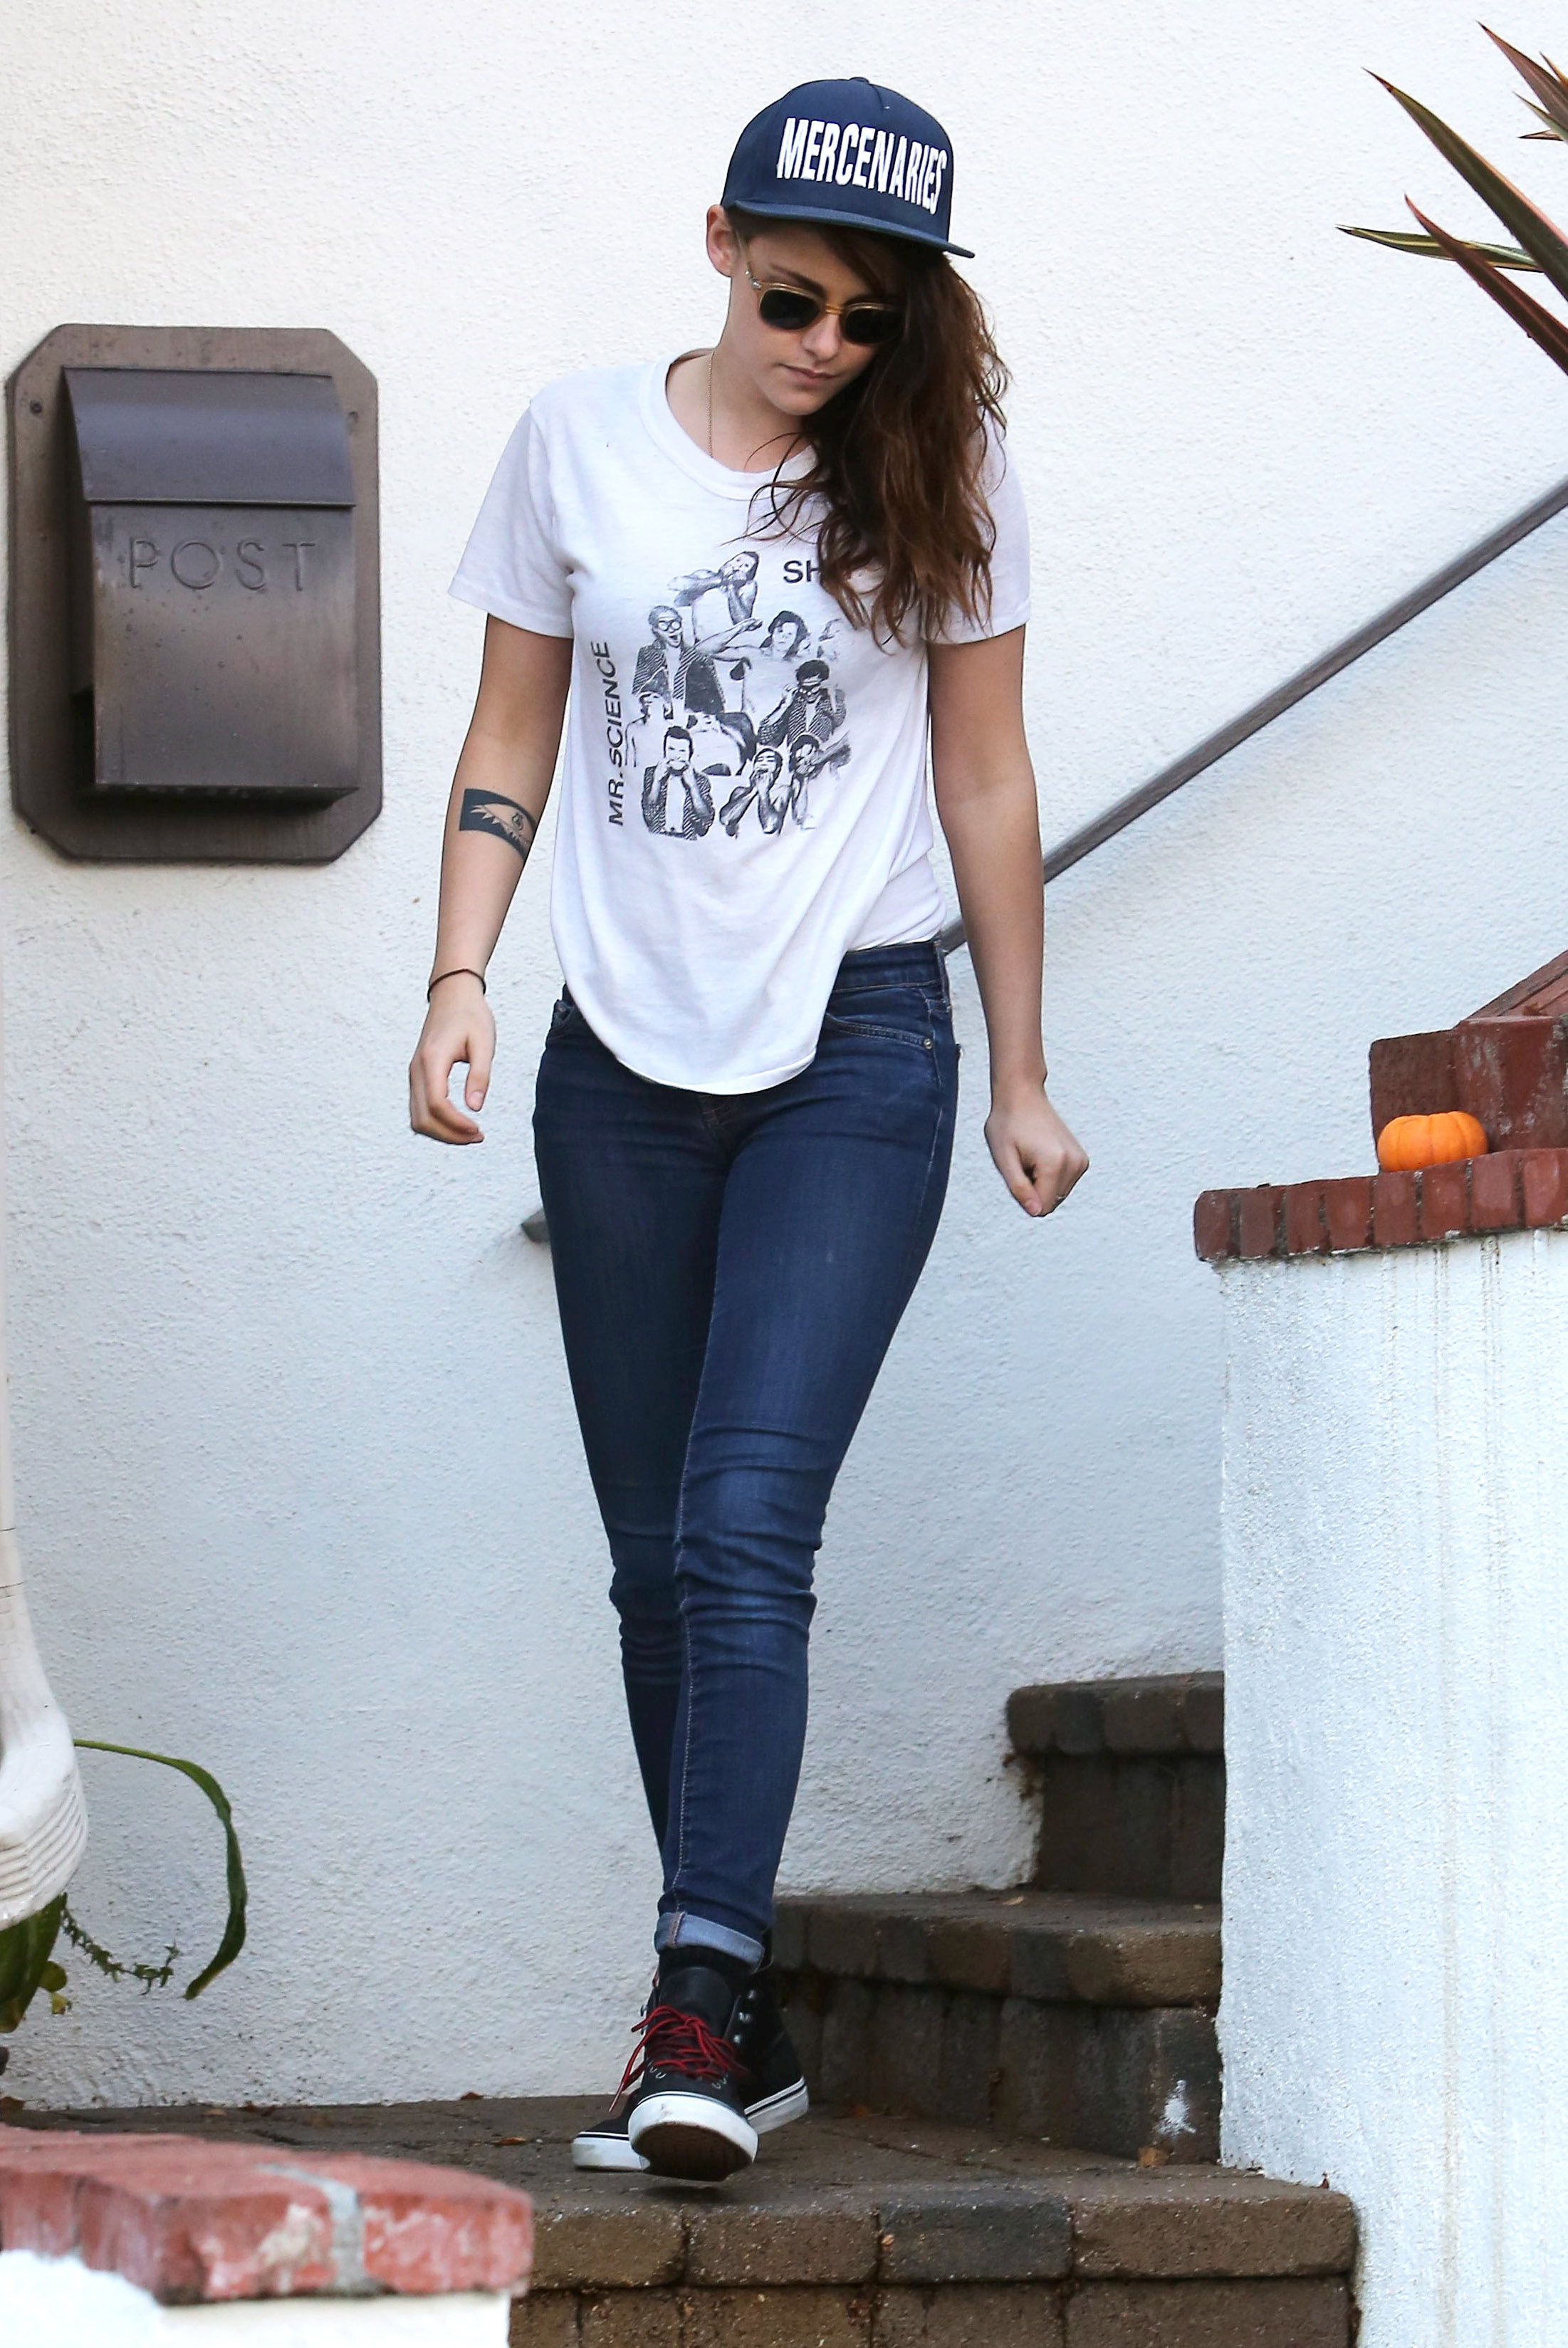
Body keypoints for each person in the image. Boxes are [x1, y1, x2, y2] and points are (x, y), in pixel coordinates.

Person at [408, 74, 1088, 2188]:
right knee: (653, 1572)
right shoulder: (573, 445)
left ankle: (692, 2000)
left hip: (856, 1048)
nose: (826, 347)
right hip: (617, 1067)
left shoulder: (941, 466)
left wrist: (1020, 1063)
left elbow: (985, 775)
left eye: (873, 319)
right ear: (719, 245)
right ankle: (751, 2025)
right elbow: (513, 725)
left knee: (738, 1530)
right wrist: (457, 974)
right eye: (795, 299)